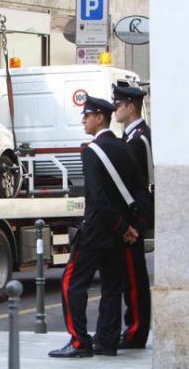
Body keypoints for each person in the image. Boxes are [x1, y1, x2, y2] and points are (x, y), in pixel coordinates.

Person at [49, 95, 141, 358]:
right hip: (118, 234)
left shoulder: (91, 151)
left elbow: (98, 197)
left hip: (97, 230)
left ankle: (79, 342)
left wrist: (120, 225)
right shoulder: (125, 148)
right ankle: (107, 342)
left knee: (71, 282)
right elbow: (136, 190)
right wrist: (127, 227)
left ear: (99, 117)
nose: (83, 120)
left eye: (86, 115)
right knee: (112, 286)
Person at [112, 84, 152, 349]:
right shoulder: (131, 136)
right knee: (130, 276)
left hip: (135, 217)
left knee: (134, 278)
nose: (114, 108)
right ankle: (133, 327)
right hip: (133, 215)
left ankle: (137, 330)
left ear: (130, 106)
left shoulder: (138, 139)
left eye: (117, 104)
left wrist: (131, 223)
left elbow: (134, 185)